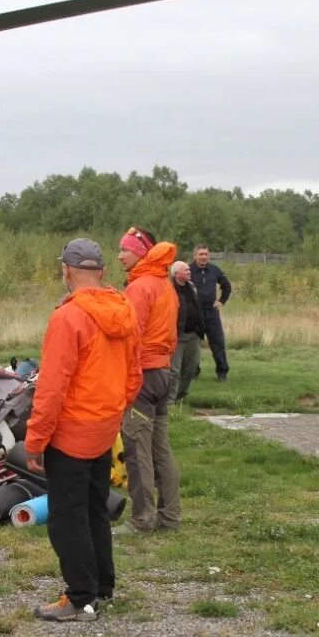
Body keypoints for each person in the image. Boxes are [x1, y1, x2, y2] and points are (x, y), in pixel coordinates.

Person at [25, 238, 141, 622]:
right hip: (104, 427)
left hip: (72, 432)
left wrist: (36, 441)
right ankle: (101, 588)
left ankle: (80, 599)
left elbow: (52, 387)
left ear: (66, 271)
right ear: (103, 272)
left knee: (67, 516)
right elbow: (133, 375)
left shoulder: (68, 317)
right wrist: (112, 411)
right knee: (94, 509)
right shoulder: (123, 309)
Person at [117, 227, 181, 533]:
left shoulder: (140, 287)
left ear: (141, 252)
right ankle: (170, 518)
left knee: (137, 449)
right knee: (160, 449)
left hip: (142, 375)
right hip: (163, 373)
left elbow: (129, 336)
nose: (119, 256)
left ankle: (142, 520)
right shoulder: (164, 284)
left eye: (124, 250)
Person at [189, 245, 232, 382]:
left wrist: (221, 301)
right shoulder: (188, 270)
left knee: (217, 343)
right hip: (194, 314)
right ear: (195, 256)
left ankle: (222, 373)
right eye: (200, 254)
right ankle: (193, 372)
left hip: (211, 313)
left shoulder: (214, 270)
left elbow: (227, 286)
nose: (203, 257)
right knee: (193, 345)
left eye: (206, 254)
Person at [167, 260, 203, 404]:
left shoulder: (192, 287)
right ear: (176, 274)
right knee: (174, 370)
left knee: (191, 368)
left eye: (189, 270)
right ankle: (169, 401)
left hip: (194, 335)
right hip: (178, 335)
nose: (189, 272)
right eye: (186, 270)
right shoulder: (169, 289)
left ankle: (180, 396)